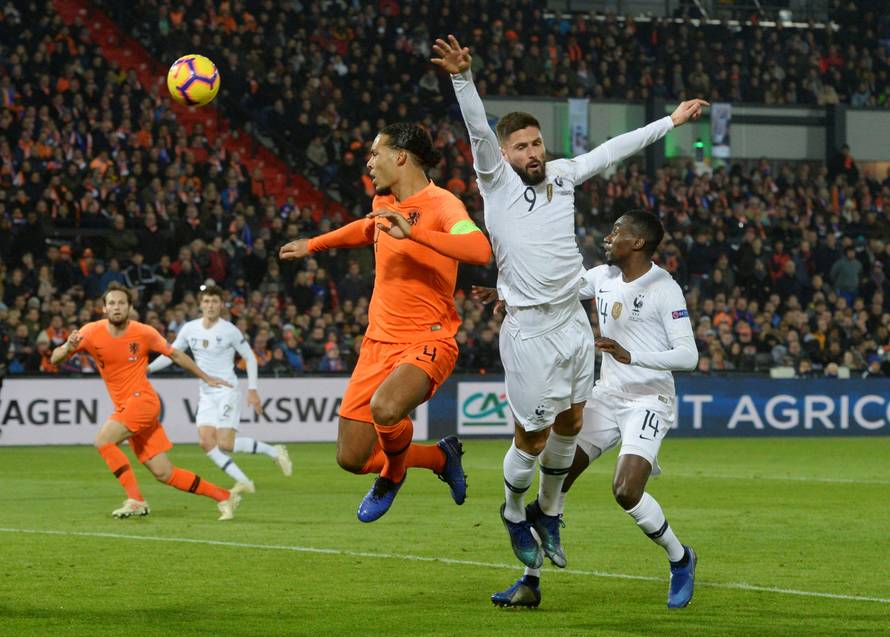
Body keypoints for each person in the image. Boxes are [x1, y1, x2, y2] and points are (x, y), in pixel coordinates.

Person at [433, 34, 706, 571]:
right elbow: (477, 129)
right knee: (531, 439)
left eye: (536, 143)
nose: (533, 153)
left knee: (573, 423)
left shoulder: (562, 176)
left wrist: (670, 123)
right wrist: (463, 78)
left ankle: (550, 513)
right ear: (504, 155)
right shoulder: (496, 184)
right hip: (530, 331)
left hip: (571, 324)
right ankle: (514, 513)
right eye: (522, 147)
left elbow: (613, 149)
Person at [279, 122, 492, 522]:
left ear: (400, 156)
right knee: (352, 457)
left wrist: (414, 234)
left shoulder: (444, 204)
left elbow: (478, 249)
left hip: (428, 340)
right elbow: (365, 229)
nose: (369, 161)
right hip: (377, 344)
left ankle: (393, 475)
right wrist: (314, 244)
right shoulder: (384, 204)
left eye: (376, 153)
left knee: (387, 408)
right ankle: (439, 458)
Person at [486, 211, 699, 609]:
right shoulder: (602, 276)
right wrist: (507, 295)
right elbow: (557, 291)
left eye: (618, 231)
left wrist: (630, 354)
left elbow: (688, 355)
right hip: (607, 394)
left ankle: (681, 558)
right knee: (555, 480)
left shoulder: (663, 287)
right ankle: (531, 582)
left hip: (649, 399)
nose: (609, 236)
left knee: (626, 490)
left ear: (637, 243)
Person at [49, 282, 244, 520]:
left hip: (143, 402)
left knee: (103, 441)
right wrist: (68, 347)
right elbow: (55, 358)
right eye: (112, 303)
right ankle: (224, 496)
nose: (116, 307)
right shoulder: (90, 332)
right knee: (164, 473)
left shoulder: (144, 332)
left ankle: (135, 500)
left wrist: (206, 377)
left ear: (130, 307)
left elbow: (176, 355)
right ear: (104, 309)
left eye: (121, 303)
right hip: (126, 407)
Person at [147, 285, 292, 492]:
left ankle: (274, 451)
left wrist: (252, 389)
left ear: (221, 305)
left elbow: (249, 357)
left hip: (227, 390)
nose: (210, 305)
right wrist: (148, 368)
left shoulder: (229, 330)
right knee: (206, 442)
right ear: (200, 304)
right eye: (206, 301)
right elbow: (172, 354)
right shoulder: (189, 329)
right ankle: (244, 482)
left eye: (214, 301)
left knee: (225, 444)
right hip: (205, 393)